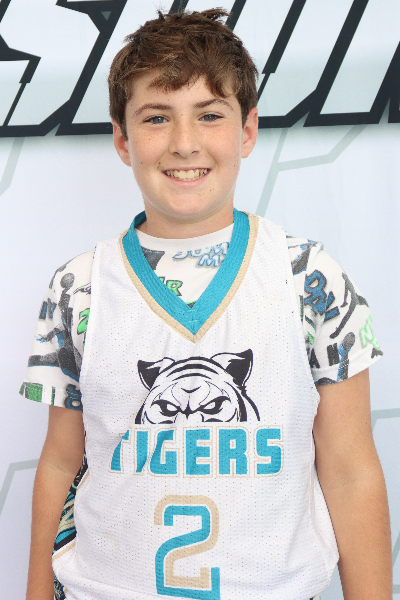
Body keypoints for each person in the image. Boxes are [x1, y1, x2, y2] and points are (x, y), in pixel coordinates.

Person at [21, 8, 392, 600]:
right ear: (122, 139)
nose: (184, 143)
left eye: (210, 114)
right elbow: (62, 463)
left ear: (247, 130)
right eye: (156, 117)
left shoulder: (308, 278)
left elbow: (350, 470)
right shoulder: (79, 286)